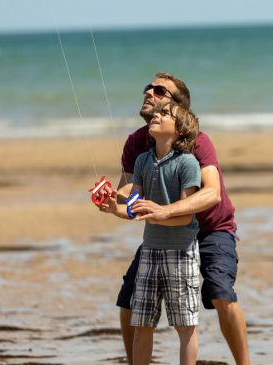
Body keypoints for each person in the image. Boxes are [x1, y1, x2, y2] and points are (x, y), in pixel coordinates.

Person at [108, 72, 250, 365]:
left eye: (159, 90)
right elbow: (130, 192)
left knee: (221, 293)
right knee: (128, 301)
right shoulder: (136, 143)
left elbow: (211, 194)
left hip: (212, 228)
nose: (149, 92)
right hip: (164, 235)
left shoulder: (198, 142)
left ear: (179, 109)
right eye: (148, 87)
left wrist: (166, 211)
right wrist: (111, 198)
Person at [101, 102, 202, 365]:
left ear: (180, 130)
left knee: (185, 325)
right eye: (156, 113)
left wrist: (159, 213)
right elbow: (135, 209)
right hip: (149, 252)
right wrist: (115, 208)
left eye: (165, 114)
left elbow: (186, 215)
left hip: (181, 253)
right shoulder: (143, 160)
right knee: (142, 323)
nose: (156, 115)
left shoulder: (188, 163)